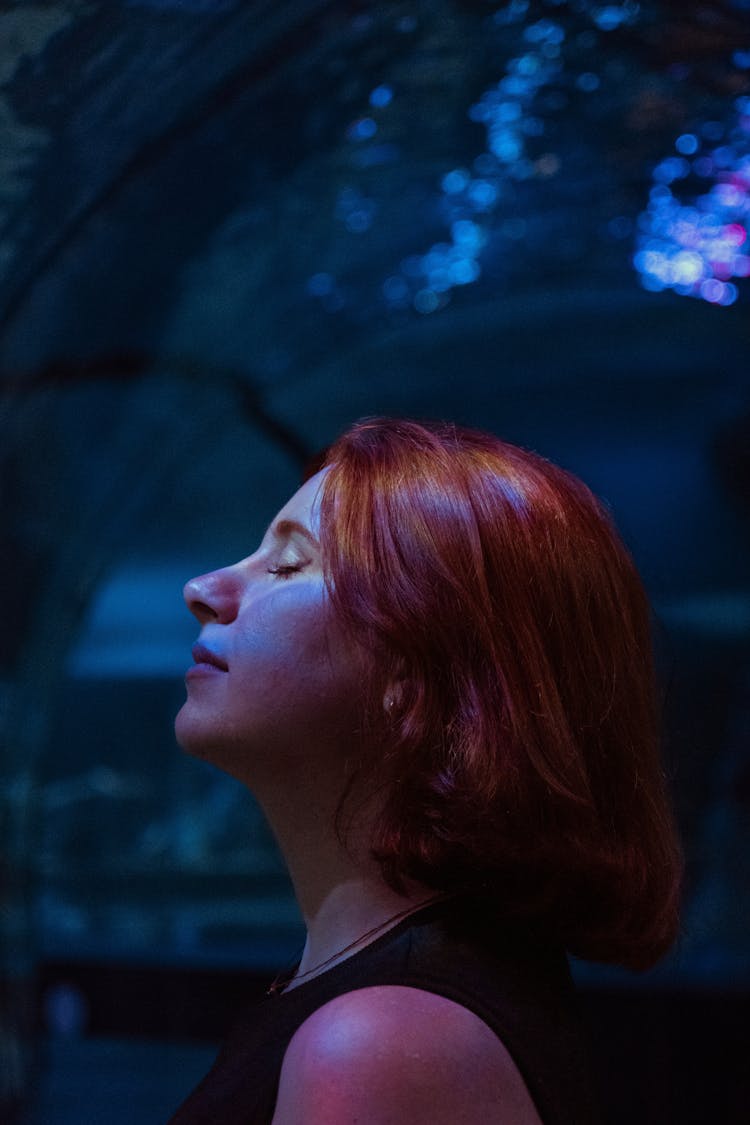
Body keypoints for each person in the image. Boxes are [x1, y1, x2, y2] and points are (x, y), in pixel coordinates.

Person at [168, 417, 682, 1125]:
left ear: (418, 671)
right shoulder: (395, 1001)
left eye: (288, 564)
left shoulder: (378, 1044)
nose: (203, 588)